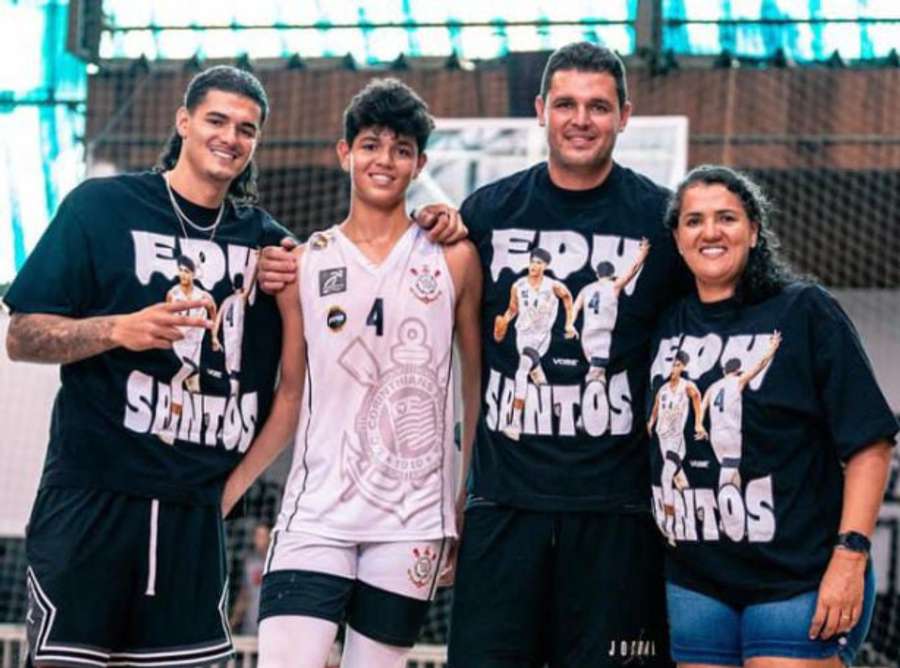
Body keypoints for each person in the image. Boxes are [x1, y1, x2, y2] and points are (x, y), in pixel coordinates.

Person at [257, 42, 686, 667]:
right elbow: (412, 270)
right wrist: (286, 260)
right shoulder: (487, 212)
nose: (581, 119)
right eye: (565, 103)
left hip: (615, 508)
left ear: (625, 115)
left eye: (598, 106)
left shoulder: (661, 220)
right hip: (502, 505)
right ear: (540, 110)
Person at [3, 65, 289, 666]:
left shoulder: (268, 244)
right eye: (216, 120)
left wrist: (435, 223)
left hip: (194, 517)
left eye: (247, 129)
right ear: (183, 121)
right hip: (92, 501)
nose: (230, 137)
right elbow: (23, 336)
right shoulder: (101, 207)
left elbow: (303, 373)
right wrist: (119, 330)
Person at [219, 78, 482, 668]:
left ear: (419, 163)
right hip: (316, 513)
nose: (384, 160)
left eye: (401, 149)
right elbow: (290, 396)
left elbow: (476, 389)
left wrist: (467, 499)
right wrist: (227, 492)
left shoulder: (454, 256)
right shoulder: (305, 262)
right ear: (345, 153)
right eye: (370, 144)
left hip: (412, 519)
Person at [649, 165, 897, 667]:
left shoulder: (804, 310)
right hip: (695, 582)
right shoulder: (662, 320)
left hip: (797, 577)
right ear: (676, 239)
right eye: (694, 221)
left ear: (755, 231)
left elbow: (870, 444)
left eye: (727, 218)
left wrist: (850, 556)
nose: (711, 231)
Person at [493, 246, 577, 441]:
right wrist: (504, 321)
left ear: (545, 266)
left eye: (538, 262)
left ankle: (514, 423)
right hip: (522, 335)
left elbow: (567, 298)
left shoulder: (553, 285)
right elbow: (512, 309)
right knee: (535, 372)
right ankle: (554, 402)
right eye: (532, 261)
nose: (534, 265)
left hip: (541, 337)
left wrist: (569, 324)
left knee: (522, 371)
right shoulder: (518, 286)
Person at [647, 350, 705, 545]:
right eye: (673, 364)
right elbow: (656, 407)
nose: (675, 367)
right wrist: (650, 422)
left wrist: (698, 423)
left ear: (683, 367)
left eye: (679, 365)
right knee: (679, 479)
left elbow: (697, 399)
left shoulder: (686, 386)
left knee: (666, 477)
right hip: (662, 439)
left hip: (676, 441)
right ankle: (696, 507)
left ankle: (670, 526)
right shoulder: (663, 389)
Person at [574, 237, 651, 384]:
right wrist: (643, 252)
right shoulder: (613, 286)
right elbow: (632, 270)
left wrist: (570, 325)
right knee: (594, 378)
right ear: (611, 274)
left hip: (586, 337)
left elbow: (575, 308)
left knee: (597, 376)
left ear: (597, 274)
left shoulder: (587, 289)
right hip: (602, 339)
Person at [230, 522, 272, 635]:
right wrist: (232, 623)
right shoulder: (250, 563)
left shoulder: (277, 563)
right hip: (250, 627)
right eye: (257, 536)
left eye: (262, 536)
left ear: (270, 537)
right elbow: (244, 595)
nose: (259, 540)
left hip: (269, 627)